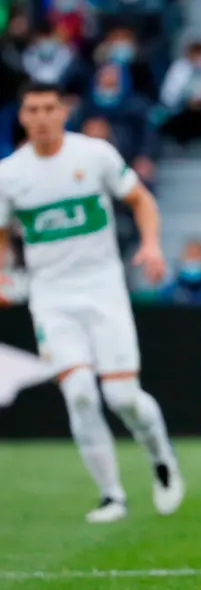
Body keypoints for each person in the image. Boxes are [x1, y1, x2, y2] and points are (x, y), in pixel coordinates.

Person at [0, 82, 184, 523]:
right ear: (22, 117)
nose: (42, 116)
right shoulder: (9, 174)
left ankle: (162, 460)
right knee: (80, 393)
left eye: (49, 107)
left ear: (64, 111)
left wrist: (152, 246)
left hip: (103, 288)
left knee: (122, 396)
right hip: (50, 296)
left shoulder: (94, 155)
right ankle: (112, 495)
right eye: (33, 110)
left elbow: (141, 199)